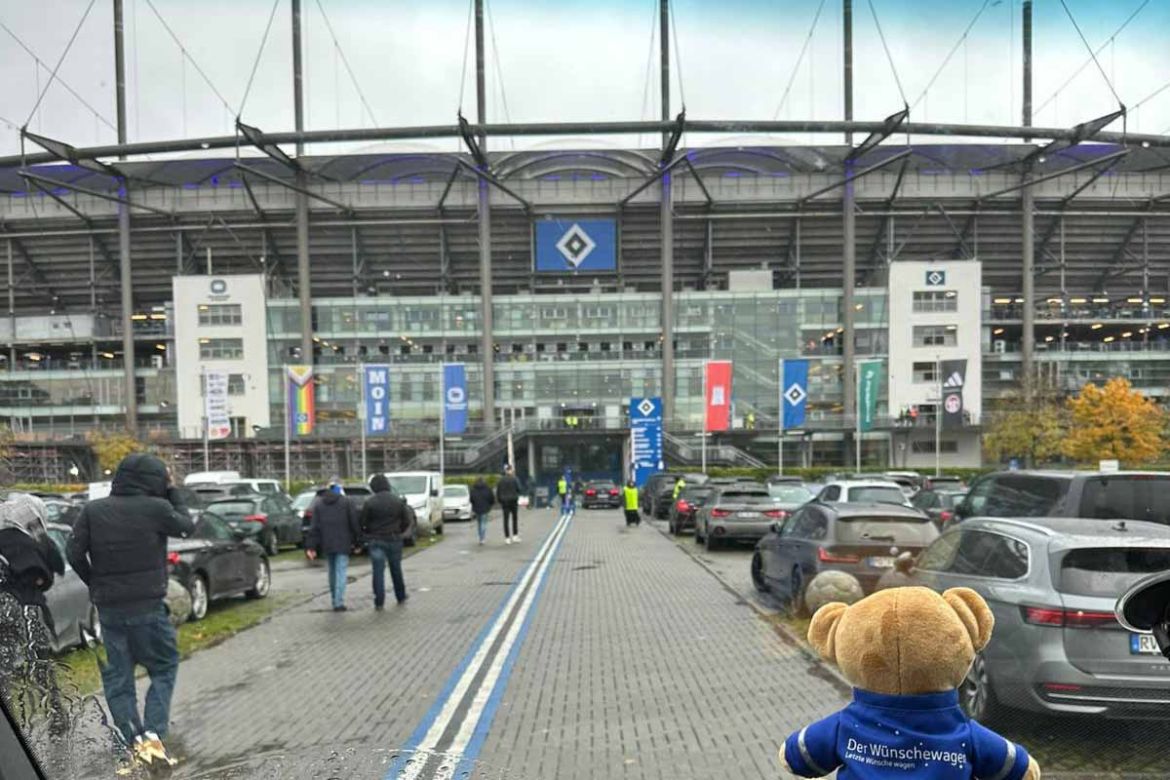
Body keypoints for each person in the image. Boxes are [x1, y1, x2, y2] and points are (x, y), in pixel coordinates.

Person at [66, 453, 194, 766]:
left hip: (109, 611)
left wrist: (95, 582)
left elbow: (73, 552)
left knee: (118, 678)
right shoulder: (157, 508)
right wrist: (173, 491)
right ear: (154, 480)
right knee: (164, 666)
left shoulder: (93, 510)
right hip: (148, 607)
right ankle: (152, 734)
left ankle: (132, 739)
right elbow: (186, 526)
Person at [0, 494, 68, 736]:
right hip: (31, 610)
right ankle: (56, 714)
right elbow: (56, 567)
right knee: (41, 665)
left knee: (5, 670)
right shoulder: (31, 541)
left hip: (6, 612)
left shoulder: (8, 541)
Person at [304, 482, 359, 612]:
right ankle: (338, 602)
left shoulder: (319, 504)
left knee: (332, 571)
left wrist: (311, 546)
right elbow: (354, 523)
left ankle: (334, 598)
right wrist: (358, 541)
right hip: (343, 542)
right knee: (341, 571)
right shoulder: (346, 503)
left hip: (327, 543)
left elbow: (314, 527)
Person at [359, 475, 411, 609]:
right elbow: (406, 520)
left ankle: (379, 601)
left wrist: (368, 532)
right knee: (396, 569)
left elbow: (363, 522)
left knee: (378, 571)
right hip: (394, 538)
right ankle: (400, 595)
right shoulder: (397, 501)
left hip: (376, 539)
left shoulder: (370, 502)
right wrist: (399, 531)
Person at [496, 466, 521, 544]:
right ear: (511, 470)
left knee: (506, 520)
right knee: (514, 519)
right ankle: (515, 536)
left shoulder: (501, 480)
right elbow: (519, 489)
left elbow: (498, 492)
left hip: (505, 502)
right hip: (513, 501)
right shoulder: (515, 479)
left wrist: (500, 501)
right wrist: (516, 495)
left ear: (505, 471)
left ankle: (507, 538)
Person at [469, 477, 495, 545]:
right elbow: (491, 498)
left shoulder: (473, 489)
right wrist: (490, 504)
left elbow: (471, 499)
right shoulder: (487, 489)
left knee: (479, 523)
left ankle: (480, 538)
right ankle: (482, 538)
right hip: (485, 508)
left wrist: (474, 504)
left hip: (477, 508)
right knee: (483, 523)